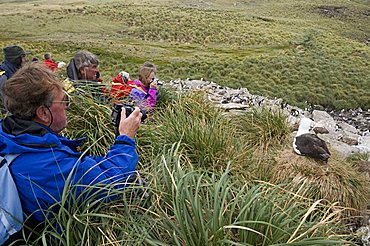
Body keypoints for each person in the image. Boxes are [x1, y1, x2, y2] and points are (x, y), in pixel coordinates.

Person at [0, 63, 142, 241]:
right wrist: (125, 138)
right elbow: (112, 180)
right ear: (43, 113)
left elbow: (75, 169)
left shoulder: (12, 136)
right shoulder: (45, 166)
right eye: (64, 100)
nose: (68, 106)